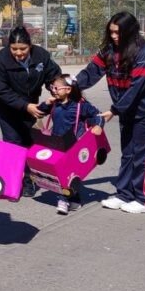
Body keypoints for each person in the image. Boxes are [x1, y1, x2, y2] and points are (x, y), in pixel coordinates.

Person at [74, 12, 145, 214]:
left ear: (129, 32)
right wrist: (70, 85)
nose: (114, 36)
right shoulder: (109, 51)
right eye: (111, 32)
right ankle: (124, 194)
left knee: (143, 156)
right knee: (128, 154)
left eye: (118, 33)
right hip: (128, 112)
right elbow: (91, 72)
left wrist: (113, 111)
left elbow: (136, 89)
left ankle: (144, 200)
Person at [0, 25, 62, 197]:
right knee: (13, 142)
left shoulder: (42, 56)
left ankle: (30, 178)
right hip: (7, 107)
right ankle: (17, 181)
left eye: (23, 48)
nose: (19, 53)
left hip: (32, 106)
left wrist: (57, 92)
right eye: (14, 49)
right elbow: (1, 90)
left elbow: (53, 77)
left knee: (30, 142)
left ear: (30, 46)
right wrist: (25, 106)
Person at [36, 74, 105, 214]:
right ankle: (75, 199)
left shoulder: (81, 105)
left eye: (56, 88)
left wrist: (98, 126)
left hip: (74, 144)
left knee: (68, 173)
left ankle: (62, 199)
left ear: (68, 89)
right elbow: (40, 112)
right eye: (51, 87)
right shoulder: (55, 103)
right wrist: (46, 104)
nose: (53, 90)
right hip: (56, 143)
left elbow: (97, 115)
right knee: (65, 173)